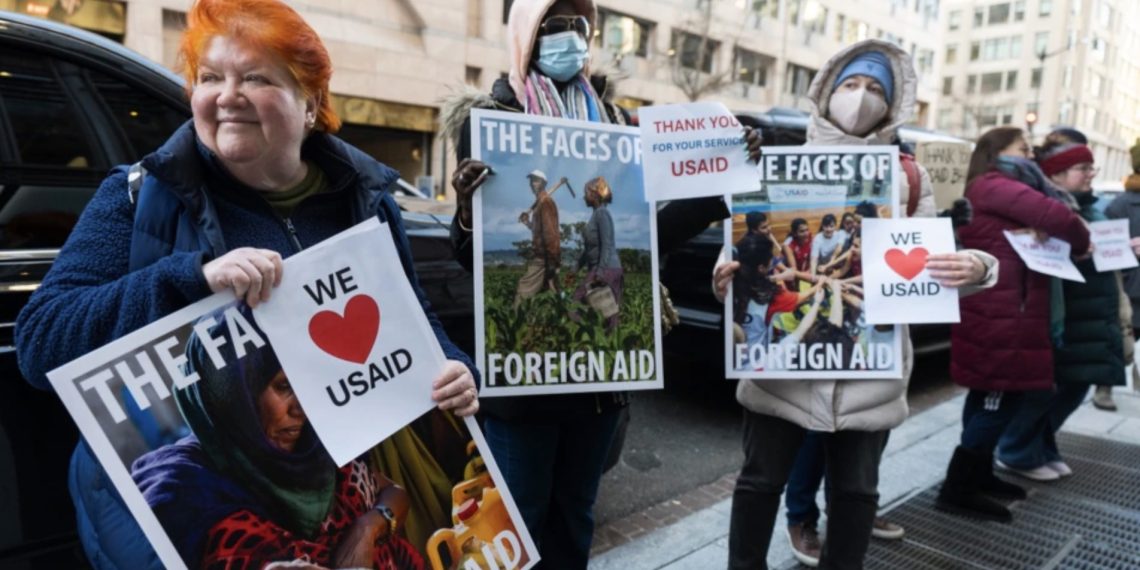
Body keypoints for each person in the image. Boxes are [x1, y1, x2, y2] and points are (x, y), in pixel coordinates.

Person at [13, 1, 479, 567]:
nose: (226, 95)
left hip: (347, 485)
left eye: (255, 78)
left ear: (310, 104)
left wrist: (454, 369)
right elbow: (41, 343)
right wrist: (186, 280)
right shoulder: (138, 196)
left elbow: (413, 319)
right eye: (210, 77)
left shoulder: (365, 201)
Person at [439, 2, 761, 566]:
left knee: (576, 517)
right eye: (554, 26)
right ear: (527, 35)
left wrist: (720, 182)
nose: (571, 38)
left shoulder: (616, 124)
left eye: (580, 27)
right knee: (518, 522)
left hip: (599, 388)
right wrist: (467, 209)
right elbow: (473, 260)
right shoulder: (489, 119)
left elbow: (648, 239)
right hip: (523, 390)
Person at [713, 40, 997, 570]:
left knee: (857, 494)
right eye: (849, 84)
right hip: (782, 374)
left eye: (874, 89)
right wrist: (725, 277)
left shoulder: (910, 178)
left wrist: (979, 267)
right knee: (758, 482)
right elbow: (738, 254)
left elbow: (933, 264)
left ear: (891, 105)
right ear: (824, 92)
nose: (860, 98)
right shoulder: (777, 166)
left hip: (871, 369)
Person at [132, 308, 422, 569]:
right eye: (283, 386)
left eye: (305, 384)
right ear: (232, 395)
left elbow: (392, 491)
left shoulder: (311, 444)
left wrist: (367, 527)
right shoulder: (186, 489)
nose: (302, 407)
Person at [939, 126, 1090, 522]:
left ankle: (979, 473)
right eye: (1022, 148)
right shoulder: (995, 183)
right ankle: (958, 487)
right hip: (1003, 311)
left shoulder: (986, 187)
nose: (1030, 155)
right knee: (999, 397)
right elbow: (1061, 217)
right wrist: (1074, 236)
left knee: (986, 396)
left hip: (1000, 306)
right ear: (997, 153)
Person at [994, 136, 1126, 481]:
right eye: (1082, 168)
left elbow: (1099, 249)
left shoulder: (1090, 207)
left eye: (1090, 167)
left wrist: (1124, 248)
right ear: (1056, 173)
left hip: (1091, 313)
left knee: (1075, 385)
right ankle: (1017, 450)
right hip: (1066, 315)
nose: (1090, 174)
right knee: (1052, 389)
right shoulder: (1047, 209)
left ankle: (1041, 445)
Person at [1105, 137, 1140, 400]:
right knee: (1123, 335)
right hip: (1130, 284)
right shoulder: (1120, 204)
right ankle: (1103, 386)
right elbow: (1107, 246)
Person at [573, 176, 623, 330]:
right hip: (600, 268)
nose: (584, 196)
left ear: (595, 194)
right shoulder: (595, 215)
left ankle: (598, 345)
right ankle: (596, 344)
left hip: (607, 269)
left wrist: (600, 273)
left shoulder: (602, 214)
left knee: (578, 304)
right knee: (605, 313)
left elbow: (606, 246)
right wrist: (575, 268)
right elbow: (589, 249)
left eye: (586, 193)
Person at [516, 170, 563, 304]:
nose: (532, 184)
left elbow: (550, 233)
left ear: (543, 184)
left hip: (544, 257)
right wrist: (528, 223)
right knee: (555, 292)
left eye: (536, 180)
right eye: (531, 181)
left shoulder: (545, 202)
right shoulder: (539, 204)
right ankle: (568, 316)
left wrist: (552, 260)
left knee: (523, 288)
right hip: (546, 256)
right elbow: (539, 231)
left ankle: (514, 322)